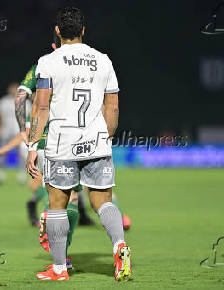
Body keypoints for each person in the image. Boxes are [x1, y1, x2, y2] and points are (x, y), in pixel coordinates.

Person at [26, 7, 132, 281]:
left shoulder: (48, 61)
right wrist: (105, 138)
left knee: (57, 204)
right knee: (102, 202)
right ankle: (119, 246)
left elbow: (41, 106)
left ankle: (60, 269)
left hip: (62, 142)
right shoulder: (103, 60)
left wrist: (32, 146)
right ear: (83, 31)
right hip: (96, 140)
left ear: (58, 31)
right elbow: (113, 106)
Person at [0, 83, 25, 185]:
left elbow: (28, 118)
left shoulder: (25, 101)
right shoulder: (3, 101)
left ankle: (21, 175)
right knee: (2, 152)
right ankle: (0, 174)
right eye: (12, 88)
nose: (13, 90)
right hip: (5, 130)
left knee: (22, 154)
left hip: (19, 131)